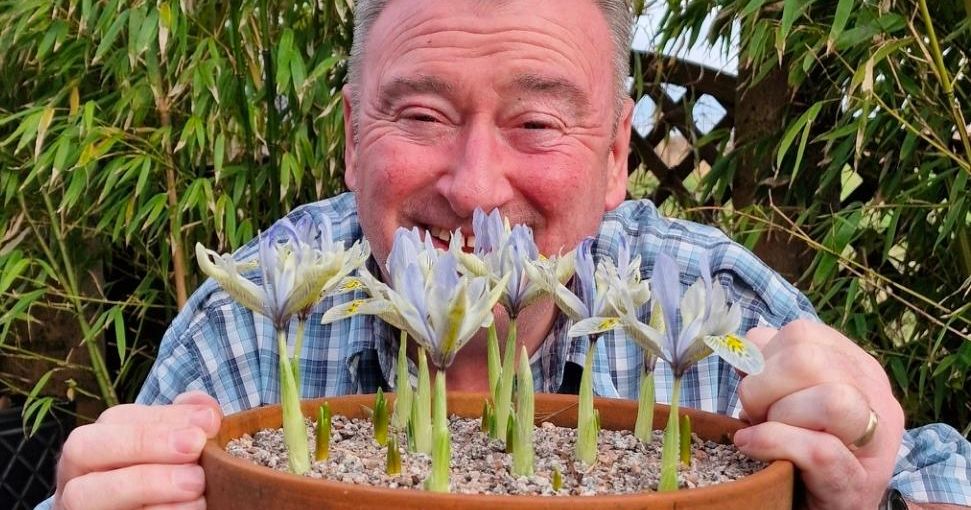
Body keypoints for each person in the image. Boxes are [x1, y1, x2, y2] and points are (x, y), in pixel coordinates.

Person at [40, 1, 971, 509]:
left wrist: (866, 485)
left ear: (614, 160)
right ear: (352, 139)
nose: (476, 187)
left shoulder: (703, 296)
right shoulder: (246, 328)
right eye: (420, 114)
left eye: (534, 121)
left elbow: (933, 470)